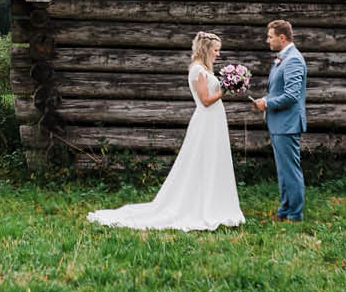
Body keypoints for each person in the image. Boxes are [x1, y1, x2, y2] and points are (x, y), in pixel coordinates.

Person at [87, 30, 245, 232]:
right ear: (206, 49)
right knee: (201, 161)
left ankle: (215, 202)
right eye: (216, 50)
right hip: (206, 121)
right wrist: (226, 89)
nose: (218, 54)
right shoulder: (197, 70)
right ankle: (199, 205)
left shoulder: (204, 69)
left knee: (214, 160)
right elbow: (205, 100)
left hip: (214, 121)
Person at [251, 18, 308, 222]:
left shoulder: (292, 59)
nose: (268, 41)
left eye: (270, 37)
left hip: (287, 123)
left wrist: (266, 103)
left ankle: (295, 214)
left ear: (282, 38)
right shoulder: (283, 58)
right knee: (283, 171)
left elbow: (292, 95)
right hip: (279, 123)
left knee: (290, 171)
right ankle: (285, 210)